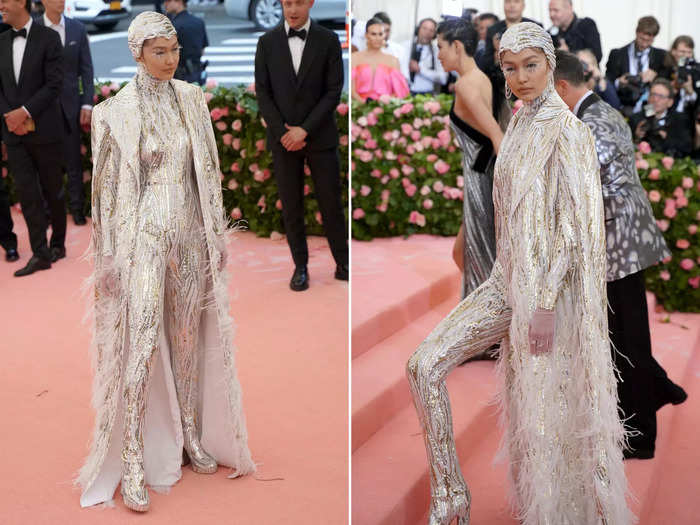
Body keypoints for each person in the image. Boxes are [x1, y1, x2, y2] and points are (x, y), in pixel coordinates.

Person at [406, 22, 632, 524]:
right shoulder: (521, 122)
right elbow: (503, 205)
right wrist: (469, 239)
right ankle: (450, 496)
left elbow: (576, 230)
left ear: (551, 64)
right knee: (423, 365)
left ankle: (558, 512)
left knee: (546, 414)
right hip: (504, 284)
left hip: (545, 298)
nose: (521, 77)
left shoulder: (570, 132)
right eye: (511, 68)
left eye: (531, 65)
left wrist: (547, 304)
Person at [76, 12, 255, 511]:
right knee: (143, 341)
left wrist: (215, 233)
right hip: (143, 239)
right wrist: (109, 256)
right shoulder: (116, 112)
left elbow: (210, 172)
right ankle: (131, 457)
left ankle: (192, 435)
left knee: (186, 340)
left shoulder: (192, 99)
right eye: (160, 51)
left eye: (174, 50)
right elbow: (105, 194)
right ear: (137, 52)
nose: (171, 59)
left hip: (190, 236)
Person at [554, 49, 687, 460]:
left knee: (626, 339)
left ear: (561, 86)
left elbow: (592, 186)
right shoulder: (602, 110)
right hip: (619, 238)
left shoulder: (592, 120)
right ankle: (659, 388)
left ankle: (640, 435)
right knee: (622, 334)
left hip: (618, 241)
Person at [254, 0, 348, 291]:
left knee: (331, 203)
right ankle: (301, 267)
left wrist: (304, 130)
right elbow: (262, 91)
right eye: (286, 3)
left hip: (319, 137)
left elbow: (333, 91)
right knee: (291, 205)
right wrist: (285, 131)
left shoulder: (329, 40)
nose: (292, 10)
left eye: (298, 3)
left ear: (310, 3)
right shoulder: (266, 42)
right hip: (283, 139)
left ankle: (343, 262)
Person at [0, 0, 66, 276]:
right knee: (27, 194)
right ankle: (40, 253)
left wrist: (25, 112)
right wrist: (10, 116)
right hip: (14, 134)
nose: (1, 6)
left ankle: (58, 244)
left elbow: (54, 83)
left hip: (45, 130)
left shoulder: (48, 38)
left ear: (21, 2)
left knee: (52, 190)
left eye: (5, 1)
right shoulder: (1, 40)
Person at [35, 0, 94, 226]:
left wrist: (87, 104)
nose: (60, 1)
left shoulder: (77, 29)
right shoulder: (34, 29)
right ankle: (49, 211)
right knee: (46, 164)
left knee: (73, 163)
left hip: (71, 107)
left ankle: (77, 209)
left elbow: (87, 71)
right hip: (42, 110)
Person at [606, 16, 672, 117]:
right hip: (622, 105)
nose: (644, 44)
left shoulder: (661, 56)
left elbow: (667, 84)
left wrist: (655, 78)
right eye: (642, 39)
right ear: (637, 32)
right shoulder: (617, 54)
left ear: (654, 37)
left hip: (650, 107)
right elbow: (607, 81)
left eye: (649, 41)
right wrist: (619, 82)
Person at [629, 78, 693, 157]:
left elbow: (687, 148)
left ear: (670, 102)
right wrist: (636, 137)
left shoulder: (680, 120)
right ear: (648, 98)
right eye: (653, 94)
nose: (655, 99)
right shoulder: (636, 119)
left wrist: (665, 137)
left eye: (661, 96)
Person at [351, 18, 409, 103]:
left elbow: (399, 91)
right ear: (366, 35)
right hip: (357, 108)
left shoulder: (393, 61)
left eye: (380, 34)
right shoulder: (354, 58)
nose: (377, 38)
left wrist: (382, 104)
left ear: (384, 35)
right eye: (373, 34)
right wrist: (363, 103)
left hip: (385, 110)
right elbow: (351, 90)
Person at [478, 0, 540, 72]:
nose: (512, 5)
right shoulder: (493, 30)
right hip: (500, 78)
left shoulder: (534, 27)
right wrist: (498, 53)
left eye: (516, 1)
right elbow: (486, 64)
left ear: (523, 5)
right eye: (508, 1)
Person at [164, 0, 209, 84]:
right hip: (198, 74)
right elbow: (202, 51)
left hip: (179, 76)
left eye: (168, 1)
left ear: (179, 2)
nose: (165, 4)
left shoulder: (172, 26)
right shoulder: (199, 22)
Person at [400, 18, 447, 96]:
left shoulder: (438, 52)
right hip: (405, 93)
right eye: (424, 28)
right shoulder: (404, 47)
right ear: (418, 29)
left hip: (427, 95)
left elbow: (443, 78)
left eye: (431, 30)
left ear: (435, 35)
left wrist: (421, 70)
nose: (427, 33)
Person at [668, 36, 698, 120]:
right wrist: (673, 87)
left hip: (690, 118)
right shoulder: (665, 70)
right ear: (673, 51)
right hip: (669, 116)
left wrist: (690, 91)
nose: (686, 56)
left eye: (689, 52)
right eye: (682, 52)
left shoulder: (697, 71)